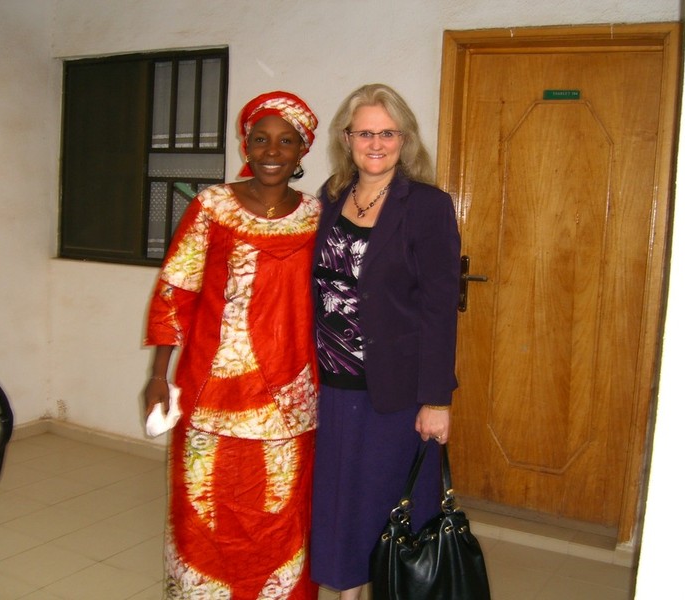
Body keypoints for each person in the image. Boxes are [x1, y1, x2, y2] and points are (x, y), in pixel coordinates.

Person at [143, 91, 320, 599]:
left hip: (291, 394)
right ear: (246, 145)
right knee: (204, 507)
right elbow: (176, 289)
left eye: (286, 141)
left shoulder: (317, 216)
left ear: (302, 150)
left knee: (282, 511)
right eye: (261, 139)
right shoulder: (212, 206)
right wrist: (158, 375)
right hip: (210, 389)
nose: (272, 151)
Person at [309, 84, 461, 599]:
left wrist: (437, 399)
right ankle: (346, 593)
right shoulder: (330, 197)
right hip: (330, 386)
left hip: (395, 392)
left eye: (387, 133)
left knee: (389, 505)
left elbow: (440, 308)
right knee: (339, 505)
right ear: (346, 139)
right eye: (364, 133)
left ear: (405, 139)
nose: (376, 143)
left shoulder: (427, 206)